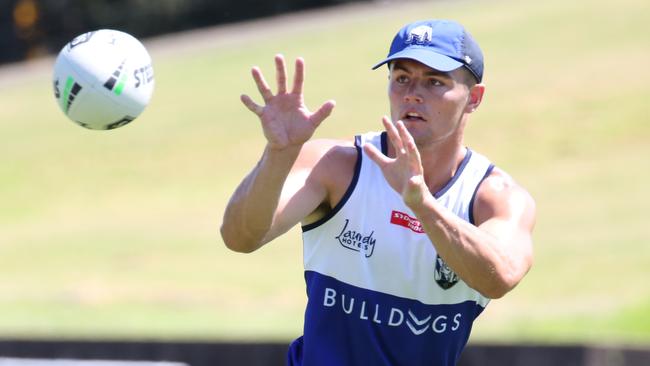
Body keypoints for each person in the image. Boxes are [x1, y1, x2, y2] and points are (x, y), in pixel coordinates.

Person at [220, 19, 536, 366]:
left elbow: (501, 277)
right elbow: (240, 238)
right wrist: (278, 155)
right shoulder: (337, 165)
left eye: (434, 81)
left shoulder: (496, 196)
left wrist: (422, 205)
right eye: (402, 78)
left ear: (474, 99)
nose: (412, 93)